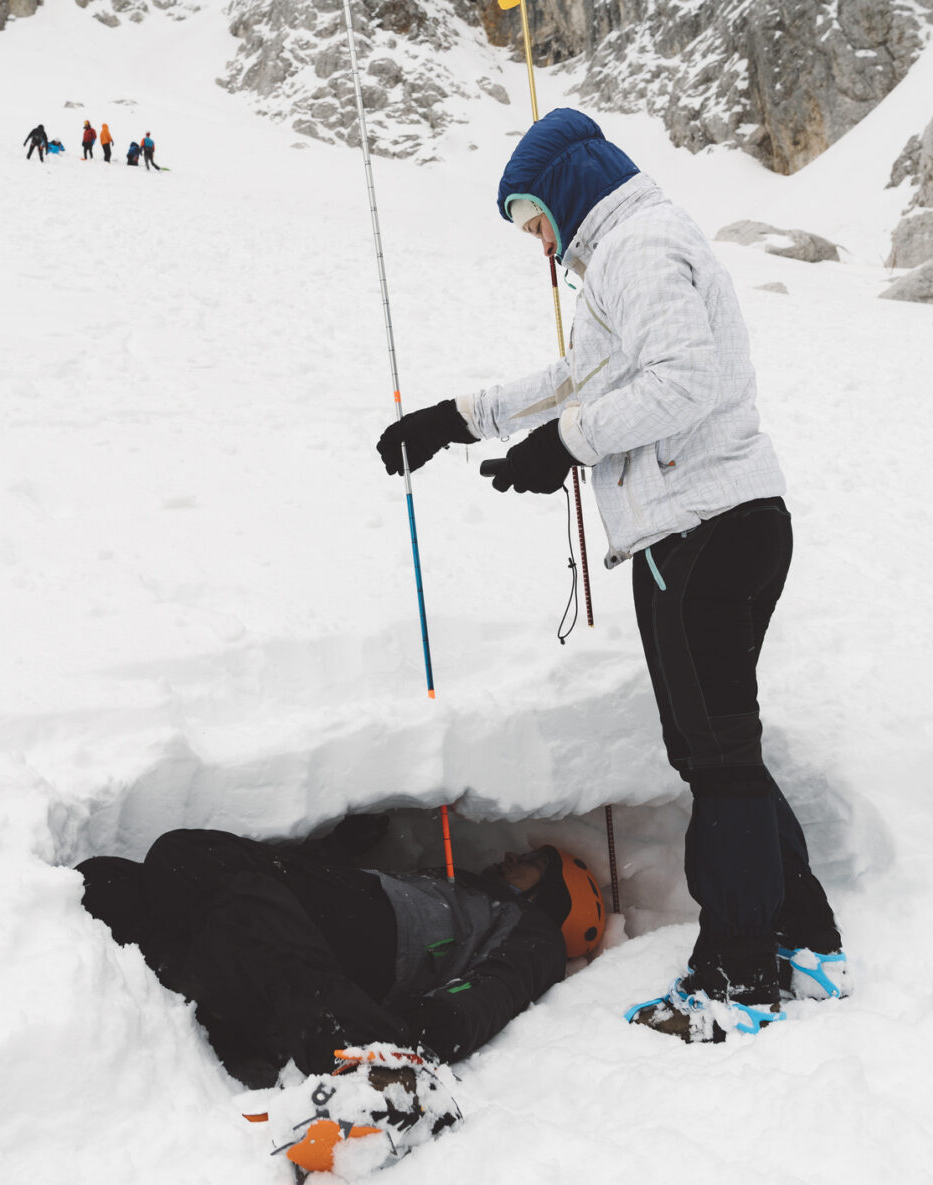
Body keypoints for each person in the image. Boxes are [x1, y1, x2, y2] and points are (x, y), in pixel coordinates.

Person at [374, 108, 849, 1045]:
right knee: (725, 752)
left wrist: (567, 444)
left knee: (716, 759)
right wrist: (456, 419)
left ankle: (742, 974)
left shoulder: (637, 249)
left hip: (700, 533)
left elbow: (681, 379)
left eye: (534, 223)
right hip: (723, 525)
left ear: (565, 193)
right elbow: (574, 379)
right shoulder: (631, 254)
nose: (539, 247)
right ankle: (803, 936)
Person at [76, 819, 601, 1087]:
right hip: (308, 935)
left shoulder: (535, 934)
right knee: (104, 885)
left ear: (555, 897)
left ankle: (351, 1038)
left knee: (186, 856)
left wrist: (432, 1027)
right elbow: (311, 893)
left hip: (378, 942)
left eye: (532, 862)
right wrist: (344, 844)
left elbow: (496, 990)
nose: (513, 855)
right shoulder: (466, 888)